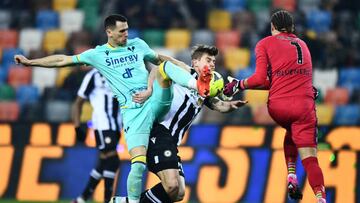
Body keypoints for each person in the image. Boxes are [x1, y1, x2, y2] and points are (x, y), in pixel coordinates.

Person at [14, 14, 211, 203]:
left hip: (154, 99)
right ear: (109, 32)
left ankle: (197, 84)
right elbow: (63, 60)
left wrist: (189, 71)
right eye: (122, 31)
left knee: (164, 69)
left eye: (127, 30)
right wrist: (31, 62)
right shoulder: (97, 54)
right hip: (134, 111)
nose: (127, 34)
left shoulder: (138, 45)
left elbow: (160, 59)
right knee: (139, 166)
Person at [110, 45, 247, 203]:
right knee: (172, 185)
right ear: (195, 62)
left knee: (178, 192)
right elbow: (160, 66)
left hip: (170, 141)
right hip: (158, 131)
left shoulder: (206, 89)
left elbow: (218, 104)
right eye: (208, 60)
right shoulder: (184, 71)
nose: (212, 64)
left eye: (214, 62)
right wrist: (149, 88)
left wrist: (231, 106)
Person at [223, 10, 326, 203]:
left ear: (272, 27)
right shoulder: (303, 45)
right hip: (304, 106)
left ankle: (291, 176)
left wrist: (239, 85)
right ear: (292, 28)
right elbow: (297, 80)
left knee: (291, 128)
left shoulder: (265, 43)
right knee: (311, 159)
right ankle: (320, 198)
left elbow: (262, 79)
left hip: (278, 107)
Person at [71, 68, 122, 203]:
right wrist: (77, 127)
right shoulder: (93, 75)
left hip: (116, 125)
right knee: (113, 160)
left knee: (104, 161)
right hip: (103, 124)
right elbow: (78, 102)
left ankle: (81, 199)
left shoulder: (118, 71)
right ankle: (107, 200)